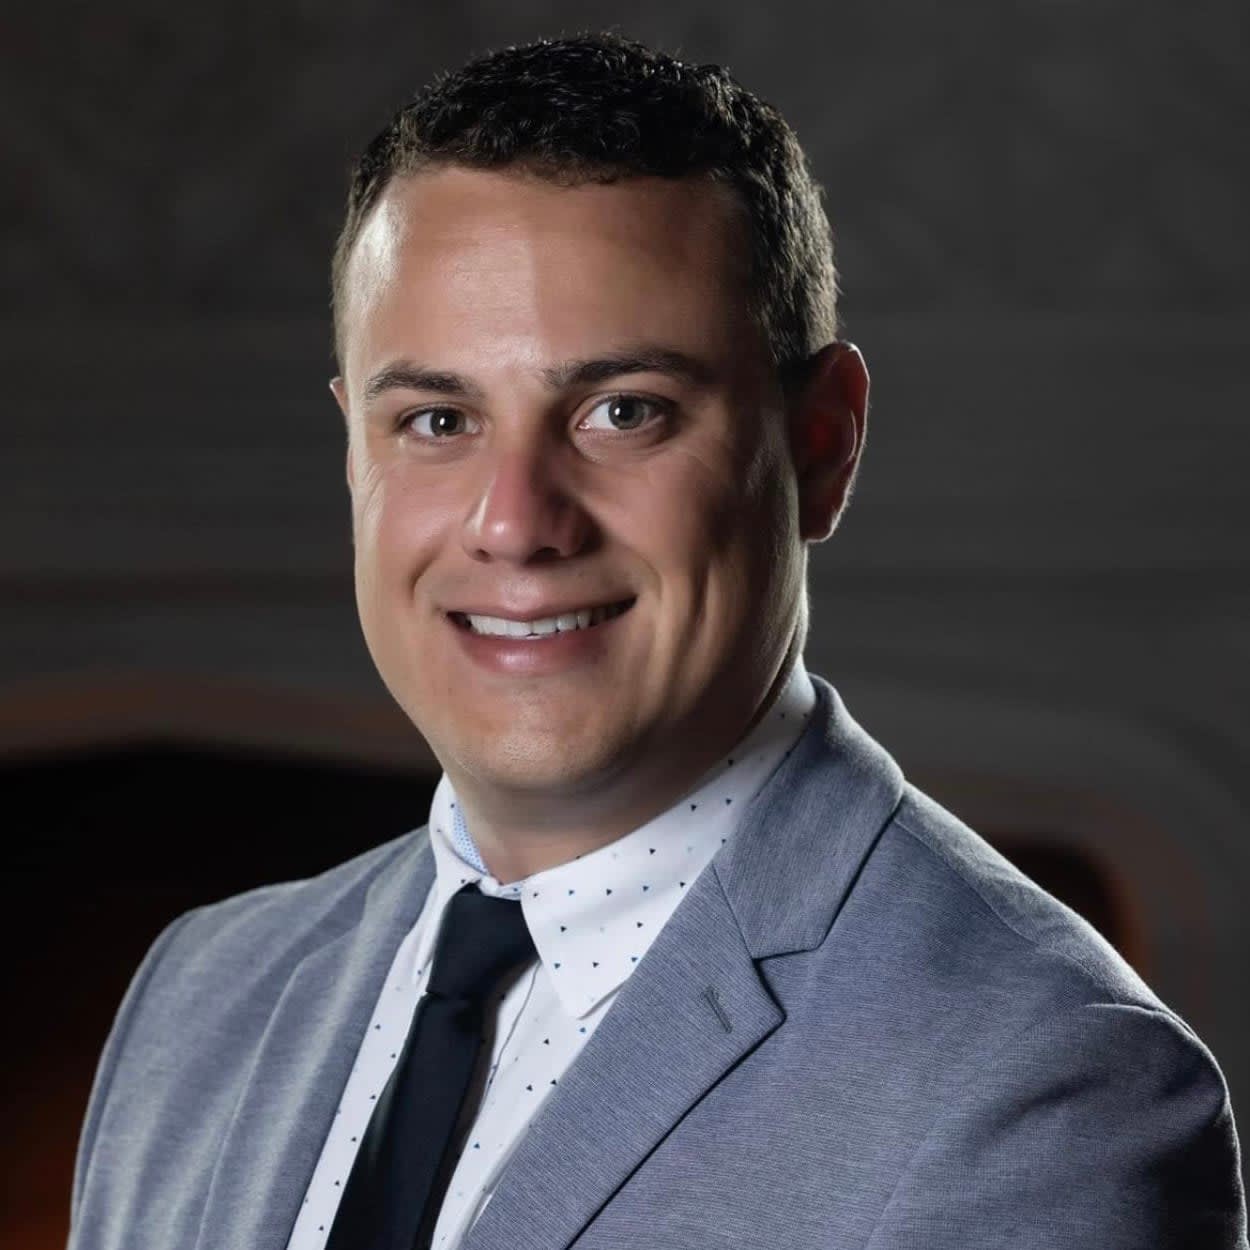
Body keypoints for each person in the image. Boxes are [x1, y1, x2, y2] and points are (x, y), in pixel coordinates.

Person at [68, 32, 1246, 1250]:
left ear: (821, 445)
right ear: (353, 446)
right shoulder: (203, 998)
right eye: (437, 419)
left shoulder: (1044, 1094)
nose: (514, 522)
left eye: (622, 410)